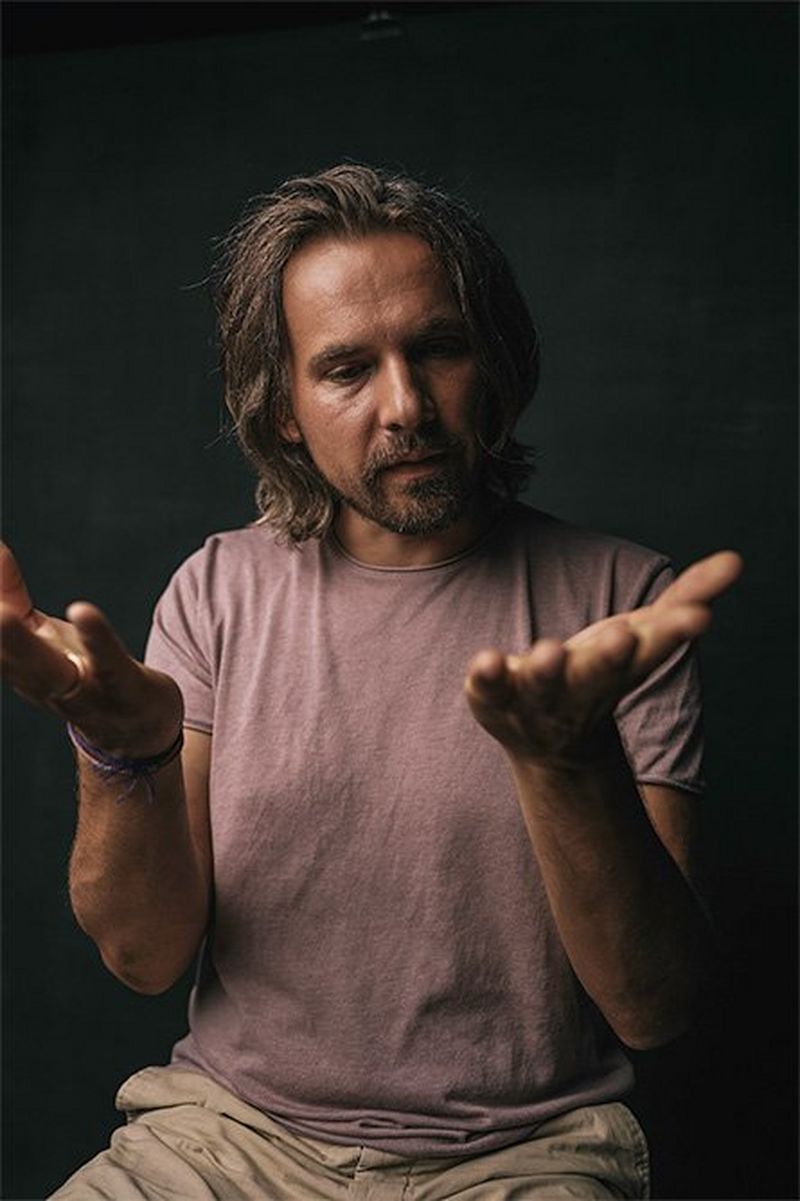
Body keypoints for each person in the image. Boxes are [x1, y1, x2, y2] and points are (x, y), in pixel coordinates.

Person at [1, 164, 741, 1200]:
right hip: (227, 1139)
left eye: (437, 347)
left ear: (492, 360)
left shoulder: (624, 601)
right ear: (287, 410)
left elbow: (653, 1007)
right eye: (346, 368)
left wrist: (563, 762)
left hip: (520, 1156)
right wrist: (124, 757)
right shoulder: (217, 591)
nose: (406, 406)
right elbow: (144, 956)